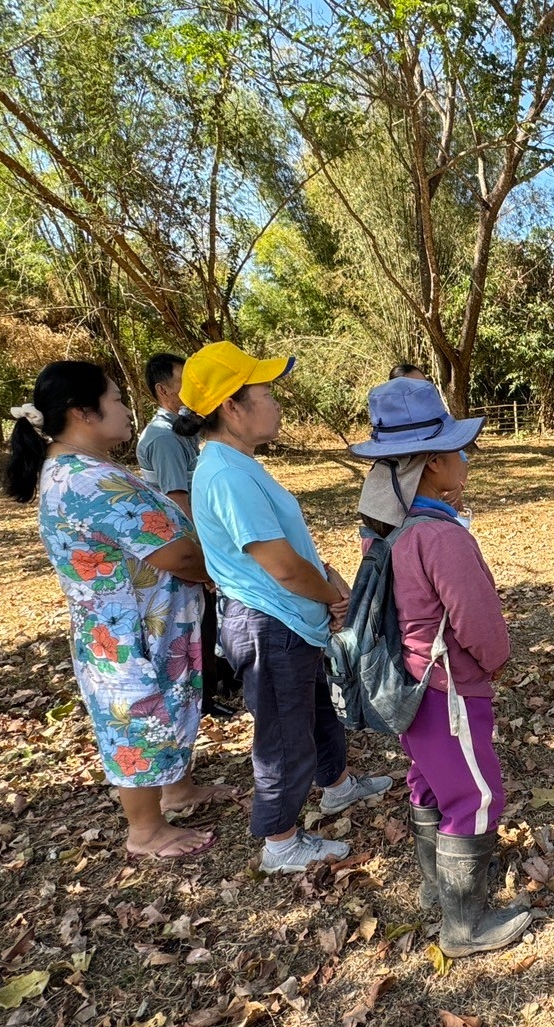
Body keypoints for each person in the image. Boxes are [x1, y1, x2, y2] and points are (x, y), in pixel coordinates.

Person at [3, 360, 236, 858]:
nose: (126, 409)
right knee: (137, 718)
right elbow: (176, 555)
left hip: (145, 619)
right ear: (82, 412)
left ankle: (178, 790)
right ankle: (146, 830)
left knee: (169, 702)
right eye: (115, 399)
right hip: (128, 629)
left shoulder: (82, 467)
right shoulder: (84, 480)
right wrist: (217, 571)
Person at [180, 342, 393, 875]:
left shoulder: (238, 465)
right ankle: (280, 843)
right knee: (283, 735)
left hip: (288, 617)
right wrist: (333, 596)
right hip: (268, 622)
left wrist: (328, 579)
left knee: (316, 709)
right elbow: (280, 565)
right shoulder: (227, 474)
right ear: (232, 406)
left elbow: (288, 549)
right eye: (267, 393)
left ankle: (337, 785)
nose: (276, 403)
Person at [350, 377, 530, 956]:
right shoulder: (441, 537)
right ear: (431, 462)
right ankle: (464, 925)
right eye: (457, 449)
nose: (465, 458)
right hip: (449, 687)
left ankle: (436, 886)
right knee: (474, 796)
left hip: (410, 685)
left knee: (429, 779)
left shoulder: (385, 529)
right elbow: (478, 621)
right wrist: (496, 663)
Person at [136, 351, 239, 719]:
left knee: (208, 618)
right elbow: (178, 500)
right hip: (182, 545)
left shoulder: (180, 432)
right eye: (185, 383)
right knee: (201, 622)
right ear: (164, 390)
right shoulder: (164, 438)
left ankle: (216, 682)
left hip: (188, 543)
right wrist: (205, 553)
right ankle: (205, 698)